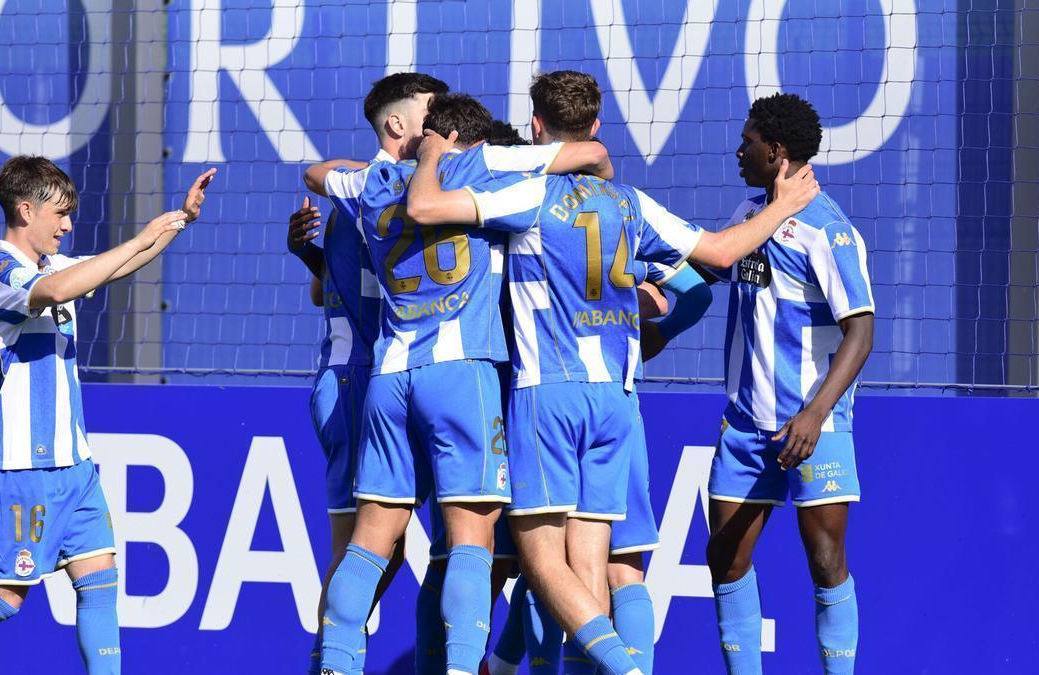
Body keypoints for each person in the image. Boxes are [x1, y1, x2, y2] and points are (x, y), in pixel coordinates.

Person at [410, 70, 818, 675]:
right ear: (596, 126)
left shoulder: (528, 197)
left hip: (548, 392)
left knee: (540, 558)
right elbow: (723, 256)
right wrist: (782, 207)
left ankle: (623, 668)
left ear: (536, 128)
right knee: (594, 564)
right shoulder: (631, 202)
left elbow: (424, 206)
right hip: (615, 399)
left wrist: (432, 151)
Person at [304, 91, 613, 675]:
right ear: (474, 141)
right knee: (470, 542)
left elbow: (315, 173)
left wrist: (406, 161)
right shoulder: (480, 168)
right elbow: (589, 154)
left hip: (390, 375)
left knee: (370, 542)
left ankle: (335, 664)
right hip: (465, 373)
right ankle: (465, 667)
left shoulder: (369, 184)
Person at [0, 156, 214, 675]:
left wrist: (180, 219)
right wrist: (139, 238)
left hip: (75, 465)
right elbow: (57, 292)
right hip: (25, 467)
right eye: (60, 214)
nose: (68, 226)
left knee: (101, 582)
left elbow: (119, 265)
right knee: (4, 597)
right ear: (26, 210)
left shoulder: (51, 266)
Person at [287, 71, 450, 674]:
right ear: (399, 125)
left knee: (379, 545)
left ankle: (329, 659)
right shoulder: (386, 188)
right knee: (359, 547)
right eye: (432, 117)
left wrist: (312, 258)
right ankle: (330, 664)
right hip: (356, 376)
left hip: (360, 375)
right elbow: (318, 172)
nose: (443, 128)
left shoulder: (364, 195)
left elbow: (326, 290)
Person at [704, 93, 873, 675]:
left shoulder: (829, 230)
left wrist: (816, 414)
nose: (738, 150)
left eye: (747, 141)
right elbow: (706, 272)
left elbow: (861, 332)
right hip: (747, 427)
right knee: (725, 561)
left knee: (826, 562)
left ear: (776, 151)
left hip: (811, 427)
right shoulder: (749, 218)